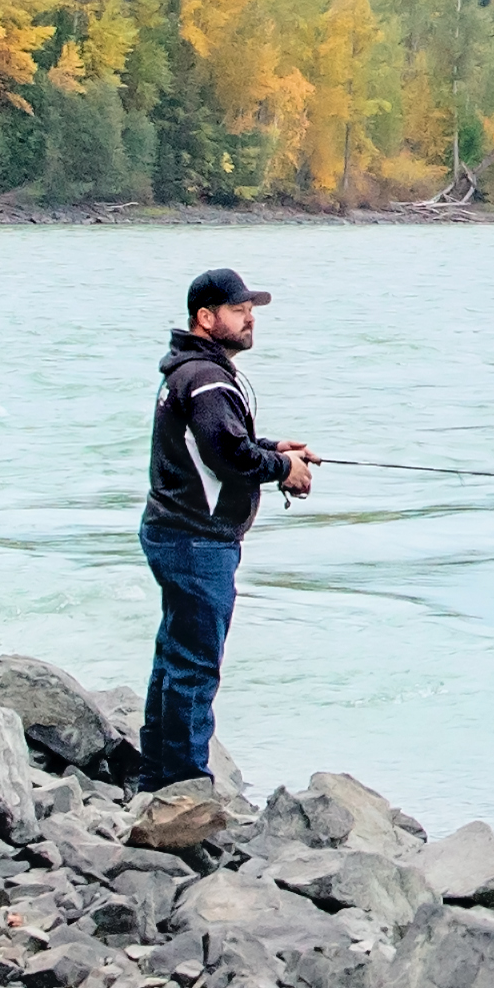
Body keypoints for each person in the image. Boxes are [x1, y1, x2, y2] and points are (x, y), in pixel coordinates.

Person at [138, 265, 313, 791]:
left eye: (251, 310)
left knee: (175, 656)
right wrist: (284, 469)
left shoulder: (190, 372)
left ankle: (159, 776)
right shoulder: (207, 378)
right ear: (205, 317)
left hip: (176, 532)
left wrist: (274, 450)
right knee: (195, 664)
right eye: (239, 311)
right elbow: (227, 454)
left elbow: (217, 445)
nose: (249, 319)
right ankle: (186, 785)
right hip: (196, 539)